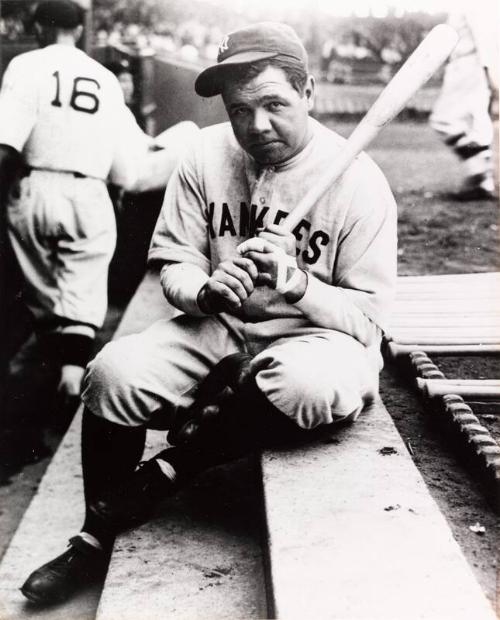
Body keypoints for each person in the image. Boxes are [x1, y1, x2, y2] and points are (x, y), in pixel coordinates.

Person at [21, 22, 397, 605]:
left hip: (314, 338)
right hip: (218, 326)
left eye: (274, 104)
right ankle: (93, 542)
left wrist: (299, 285)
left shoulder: (362, 183)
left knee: (305, 385)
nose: (257, 125)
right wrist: (206, 291)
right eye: (240, 110)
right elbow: (172, 261)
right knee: (113, 371)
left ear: (308, 92)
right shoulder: (203, 152)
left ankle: (171, 468)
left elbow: (370, 323)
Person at [0, 0, 197, 463]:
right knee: (82, 308)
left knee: (44, 304)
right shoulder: (104, 78)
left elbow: (6, 144)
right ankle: (67, 391)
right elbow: (129, 170)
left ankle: (40, 409)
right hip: (88, 193)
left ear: (36, 27)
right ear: (80, 27)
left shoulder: (26, 64)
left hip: (32, 187)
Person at [429, 2, 499, 201]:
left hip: (469, 64)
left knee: (444, 121)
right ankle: (483, 181)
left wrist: (492, 74)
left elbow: (485, 39)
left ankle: (481, 171)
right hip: (468, 64)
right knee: (473, 123)